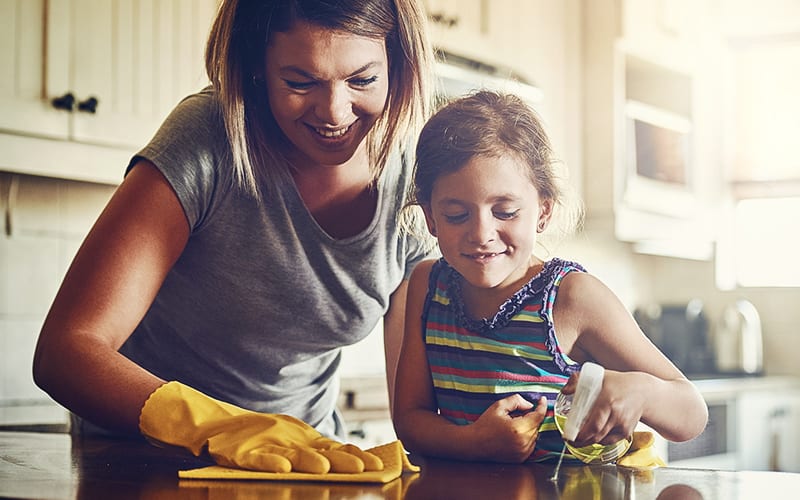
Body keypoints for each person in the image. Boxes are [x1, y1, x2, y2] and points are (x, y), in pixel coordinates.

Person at [32, 0, 437, 473]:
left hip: (305, 467)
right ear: (256, 69)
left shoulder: (414, 177)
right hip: (148, 466)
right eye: (299, 82)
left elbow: (415, 409)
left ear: (398, 65)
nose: (333, 111)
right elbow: (66, 352)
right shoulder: (210, 136)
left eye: (362, 80)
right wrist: (216, 427)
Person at [392, 90, 708, 463]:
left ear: (543, 211)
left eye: (505, 211)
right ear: (430, 217)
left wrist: (641, 390)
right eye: (457, 215)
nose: (481, 234)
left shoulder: (572, 298)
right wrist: (474, 441)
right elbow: (410, 420)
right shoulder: (429, 286)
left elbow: (691, 413)